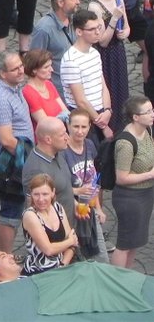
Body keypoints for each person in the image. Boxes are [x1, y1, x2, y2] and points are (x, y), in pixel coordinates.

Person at [0, 53, 35, 252]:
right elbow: (6, 140)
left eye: (21, 66)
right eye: (15, 69)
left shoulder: (15, 88)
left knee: (17, 206)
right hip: (12, 163)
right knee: (11, 210)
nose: (21, 70)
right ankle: (2, 255)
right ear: (2, 74)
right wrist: (31, 159)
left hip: (20, 157)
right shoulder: (1, 98)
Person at [110, 95, 154, 268]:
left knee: (135, 242)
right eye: (148, 111)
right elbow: (122, 178)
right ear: (136, 117)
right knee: (124, 244)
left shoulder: (148, 131)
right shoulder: (126, 143)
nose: (152, 114)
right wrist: (150, 175)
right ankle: (117, 280)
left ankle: (128, 278)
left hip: (145, 195)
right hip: (130, 198)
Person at [61, 9, 114, 143]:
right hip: (85, 118)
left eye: (99, 27)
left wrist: (107, 110)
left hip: (101, 114)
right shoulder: (71, 60)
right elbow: (80, 100)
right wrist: (102, 125)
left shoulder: (94, 53)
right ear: (79, 32)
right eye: (92, 29)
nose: (97, 32)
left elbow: (103, 86)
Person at [63, 108, 109, 262]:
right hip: (71, 210)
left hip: (88, 209)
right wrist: (77, 190)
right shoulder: (62, 151)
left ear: (90, 127)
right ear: (68, 126)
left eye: (84, 127)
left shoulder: (89, 145)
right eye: (76, 126)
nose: (80, 131)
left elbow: (93, 180)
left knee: (98, 256)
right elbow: (56, 186)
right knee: (82, 257)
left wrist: (98, 209)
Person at [30, 0, 81, 96]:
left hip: (76, 86)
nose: (78, 2)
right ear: (60, 3)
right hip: (58, 92)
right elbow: (34, 63)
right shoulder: (44, 29)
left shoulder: (74, 20)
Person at [21, 173, 77, 275]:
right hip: (38, 272)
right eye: (36, 194)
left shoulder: (58, 208)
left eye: (45, 194)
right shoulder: (30, 216)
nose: (41, 199)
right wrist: (70, 241)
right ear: (31, 194)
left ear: (53, 192)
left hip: (60, 268)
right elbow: (48, 249)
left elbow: (72, 245)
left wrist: (63, 265)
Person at [22, 49, 70, 129]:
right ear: (34, 70)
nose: (52, 70)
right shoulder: (29, 92)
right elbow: (45, 123)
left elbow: (64, 110)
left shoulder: (48, 84)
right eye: (46, 67)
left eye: (50, 65)